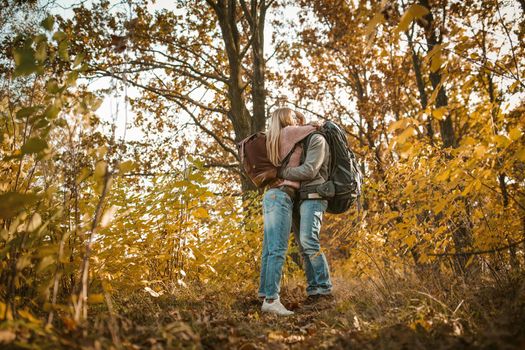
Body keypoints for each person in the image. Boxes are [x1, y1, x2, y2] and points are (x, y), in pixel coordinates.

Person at [258, 107, 316, 316]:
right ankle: (272, 300)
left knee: (269, 249)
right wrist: (302, 120)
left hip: (271, 195)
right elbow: (316, 128)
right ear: (286, 119)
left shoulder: (272, 137)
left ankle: (264, 295)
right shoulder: (290, 132)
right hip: (282, 196)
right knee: (278, 250)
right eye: (291, 116)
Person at [280, 118, 333, 301]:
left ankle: (325, 289)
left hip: (314, 196)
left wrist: (281, 173)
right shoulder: (295, 144)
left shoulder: (317, 139)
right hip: (297, 199)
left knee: (309, 241)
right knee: (303, 248)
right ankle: (313, 291)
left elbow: (310, 170)